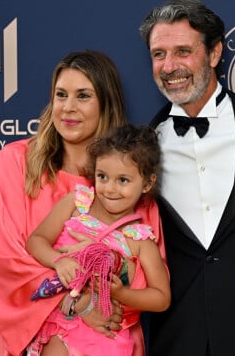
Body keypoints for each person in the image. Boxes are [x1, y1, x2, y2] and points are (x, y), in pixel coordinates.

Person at [0, 50, 164, 356]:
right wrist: (76, 304)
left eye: (83, 96)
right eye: (61, 95)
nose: (68, 107)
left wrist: (108, 288)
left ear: (106, 103)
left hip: (109, 340)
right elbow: (4, 261)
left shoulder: (128, 183)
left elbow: (147, 279)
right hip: (34, 343)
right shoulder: (13, 164)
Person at [140, 0, 235, 356]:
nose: (169, 66)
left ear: (214, 53)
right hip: (177, 337)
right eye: (159, 54)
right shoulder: (143, 145)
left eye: (182, 51)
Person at [25, 124, 170, 356]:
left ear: (147, 183)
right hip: (61, 325)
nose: (110, 188)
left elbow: (161, 297)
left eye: (123, 180)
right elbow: (36, 240)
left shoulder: (140, 238)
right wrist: (58, 261)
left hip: (106, 338)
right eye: (102, 176)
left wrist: (121, 294)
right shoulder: (77, 203)